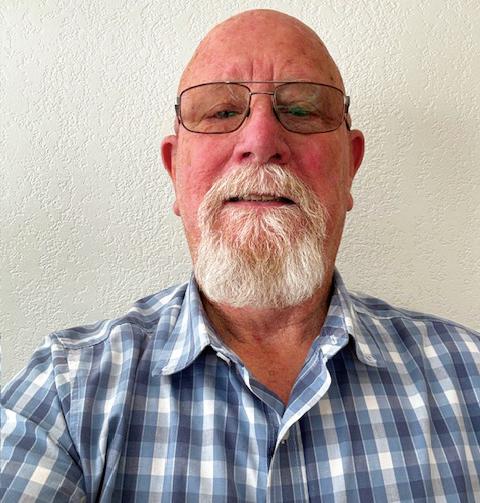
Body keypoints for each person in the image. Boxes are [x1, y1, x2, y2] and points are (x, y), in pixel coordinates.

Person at [2, 9, 479, 502]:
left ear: (350, 168)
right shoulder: (65, 395)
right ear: (174, 170)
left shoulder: (470, 376)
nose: (261, 142)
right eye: (222, 112)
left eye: (302, 110)